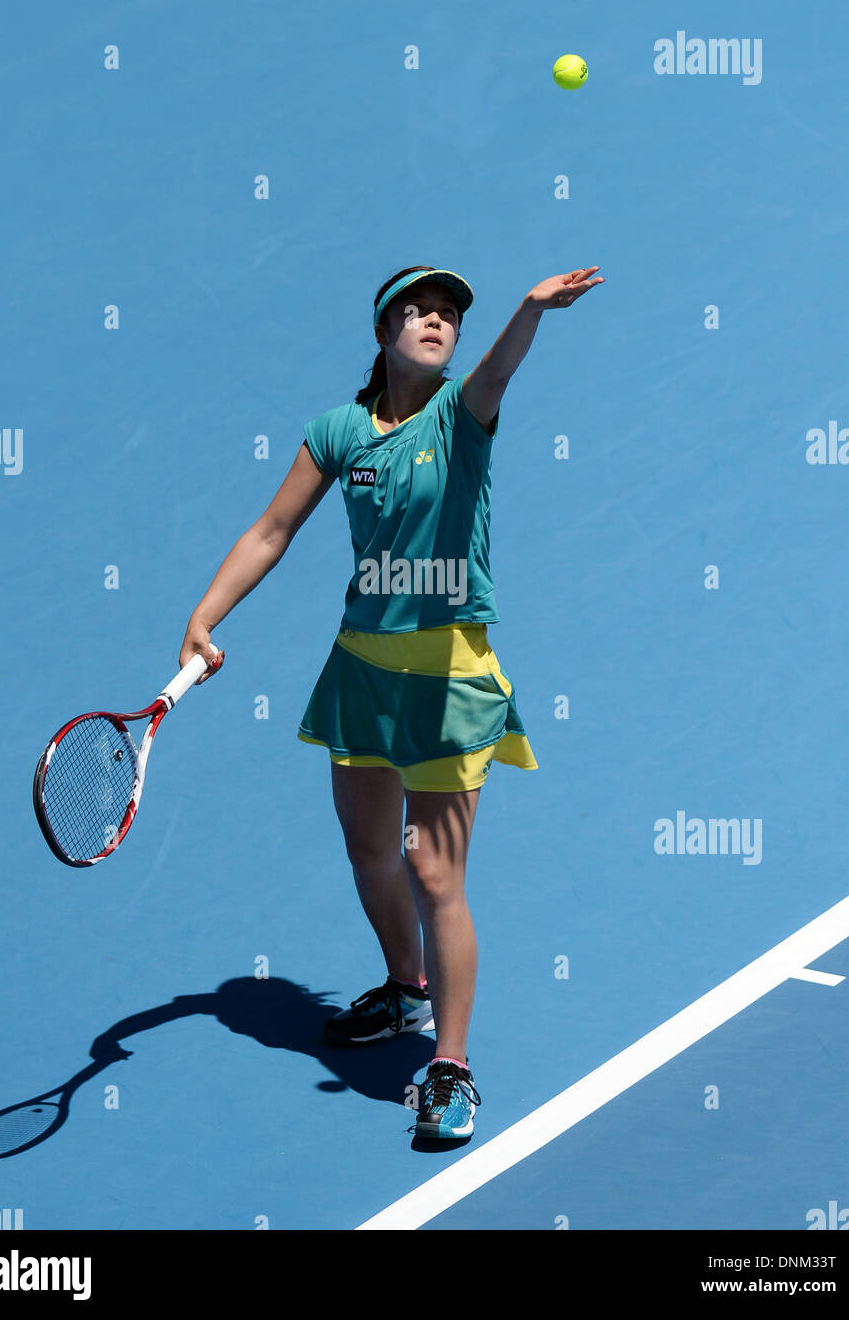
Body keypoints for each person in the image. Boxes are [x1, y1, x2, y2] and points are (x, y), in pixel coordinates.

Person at [179, 262, 605, 1141]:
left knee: (435, 874)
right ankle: (405, 990)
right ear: (383, 333)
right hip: (363, 672)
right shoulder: (339, 431)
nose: (436, 320)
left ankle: (448, 1068)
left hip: (449, 677)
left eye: (448, 312)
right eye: (417, 310)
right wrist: (204, 617)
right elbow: (272, 530)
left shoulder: (463, 413)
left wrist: (530, 310)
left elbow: (499, 370)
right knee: (370, 849)